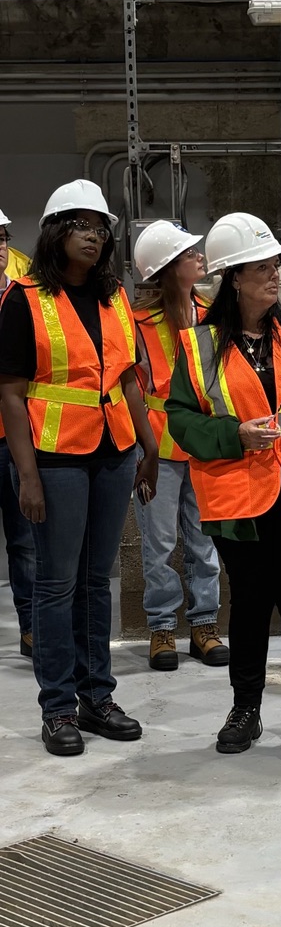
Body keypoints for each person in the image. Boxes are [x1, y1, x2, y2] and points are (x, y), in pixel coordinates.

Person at [166, 212, 281, 764]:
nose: (274, 276)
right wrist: (235, 434)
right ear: (232, 278)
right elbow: (180, 418)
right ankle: (245, 708)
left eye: (275, 266)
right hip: (238, 500)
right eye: (261, 268)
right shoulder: (197, 346)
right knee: (247, 606)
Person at [0, 179, 159, 757]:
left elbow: (126, 379)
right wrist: (28, 476)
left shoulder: (114, 295)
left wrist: (150, 446)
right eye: (80, 225)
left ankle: (97, 696)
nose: (93, 236)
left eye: (100, 227)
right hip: (57, 458)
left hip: (115, 453)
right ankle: (58, 706)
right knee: (56, 582)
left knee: (97, 581)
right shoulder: (23, 299)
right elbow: (12, 395)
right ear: (54, 233)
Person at [132, 219, 227, 671]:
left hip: (204, 443)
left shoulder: (211, 314)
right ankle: (162, 628)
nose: (200, 257)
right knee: (159, 543)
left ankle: (205, 625)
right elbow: (130, 387)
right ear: (170, 268)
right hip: (157, 447)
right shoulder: (138, 322)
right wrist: (144, 450)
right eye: (190, 254)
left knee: (204, 541)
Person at [0, 209, 35, 656]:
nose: (1, 245)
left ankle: (32, 628)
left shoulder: (20, 297)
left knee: (25, 541)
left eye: (3, 236)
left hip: (14, 438)